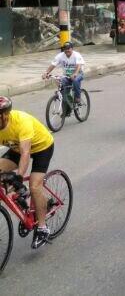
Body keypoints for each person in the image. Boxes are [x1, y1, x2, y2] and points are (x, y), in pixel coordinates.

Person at [0, 96, 56, 248]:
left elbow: (25, 153)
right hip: (16, 147)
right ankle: (21, 194)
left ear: (5, 115)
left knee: (34, 185)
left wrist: (18, 176)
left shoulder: (20, 122)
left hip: (41, 147)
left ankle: (43, 228)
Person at [42, 42, 85, 111]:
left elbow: (78, 65)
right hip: (67, 75)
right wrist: (46, 73)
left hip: (78, 73)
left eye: (68, 48)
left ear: (72, 49)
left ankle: (77, 98)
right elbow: (53, 65)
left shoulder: (76, 55)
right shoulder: (60, 56)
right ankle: (68, 107)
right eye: (65, 49)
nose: (67, 50)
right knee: (61, 86)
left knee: (75, 80)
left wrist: (75, 74)